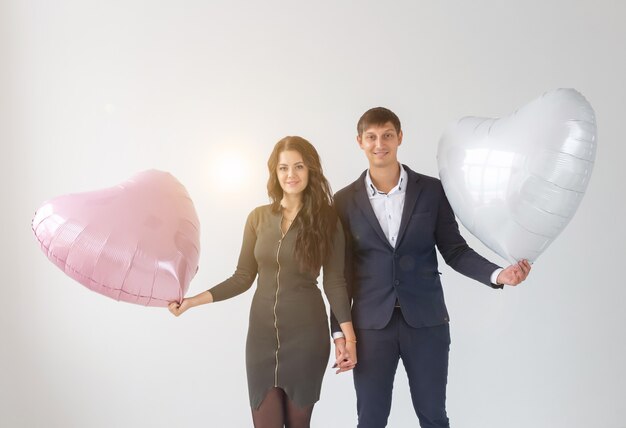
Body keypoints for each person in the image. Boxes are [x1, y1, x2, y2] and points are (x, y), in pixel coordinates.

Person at [331, 107, 531, 428]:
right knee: (370, 420)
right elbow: (338, 275)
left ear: (400, 137)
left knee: (433, 417)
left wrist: (498, 274)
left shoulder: (433, 191)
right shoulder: (342, 202)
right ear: (360, 142)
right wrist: (340, 333)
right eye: (371, 137)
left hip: (426, 324)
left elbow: (455, 250)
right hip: (369, 329)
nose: (379, 143)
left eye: (387, 135)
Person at [169, 136, 357, 428]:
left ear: (311, 171)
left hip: (307, 337)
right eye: (283, 168)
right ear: (274, 172)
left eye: (298, 167)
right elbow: (242, 277)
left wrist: (347, 338)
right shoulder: (257, 218)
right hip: (261, 339)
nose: (291, 175)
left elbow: (335, 282)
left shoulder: (327, 221)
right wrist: (192, 301)